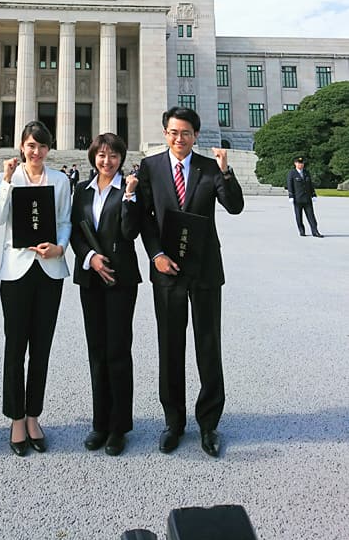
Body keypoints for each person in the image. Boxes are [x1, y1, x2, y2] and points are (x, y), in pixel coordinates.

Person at [138, 105, 244, 458]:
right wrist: (156, 255)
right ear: (165, 133)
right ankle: (174, 422)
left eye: (185, 132)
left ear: (195, 135)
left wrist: (227, 173)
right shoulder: (151, 167)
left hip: (204, 269)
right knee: (170, 345)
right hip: (167, 269)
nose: (179, 138)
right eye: (173, 132)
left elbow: (234, 206)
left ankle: (209, 423)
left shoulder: (209, 167)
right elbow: (145, 219)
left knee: (208, 344)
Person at [0, 120, 71, 456]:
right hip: (16, 271)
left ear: (49, 149)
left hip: (49, 270)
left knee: (41, 349)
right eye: (30, 145)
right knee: (15, 347)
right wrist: (7, 181)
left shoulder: (60, 180)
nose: (35, 151)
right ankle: (16, 418)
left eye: (41, 146)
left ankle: (34, 416)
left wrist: (60, 247)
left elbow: (65, 221)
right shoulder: (8, 178)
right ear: (21, 146)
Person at [70, 133, 141, 457]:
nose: (107, 161)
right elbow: (74, 230)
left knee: (118, 351)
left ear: (121, 158)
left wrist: (128, 198)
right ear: (93, 157)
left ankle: (118, 427)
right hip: (91, 277)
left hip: (120, 279)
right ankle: (100, 423)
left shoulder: (130, 189)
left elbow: (130, 232)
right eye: (101, 155)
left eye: (113, 155)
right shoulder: (81, 191)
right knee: (96, 350)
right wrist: (90, 258)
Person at [287, 156, 323, 237]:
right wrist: (291, 196)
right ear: (295, 163)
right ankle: (301, 230)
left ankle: (315, 231)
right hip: (297, 198)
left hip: (307, 198)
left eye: (302, 163)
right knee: (299, 216)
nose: (301, 165)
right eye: (299, 163)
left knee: (311, 216)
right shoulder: (292, 173)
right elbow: (290, 185)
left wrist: (313, 194)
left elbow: (310, 184)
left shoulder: (306, 172)